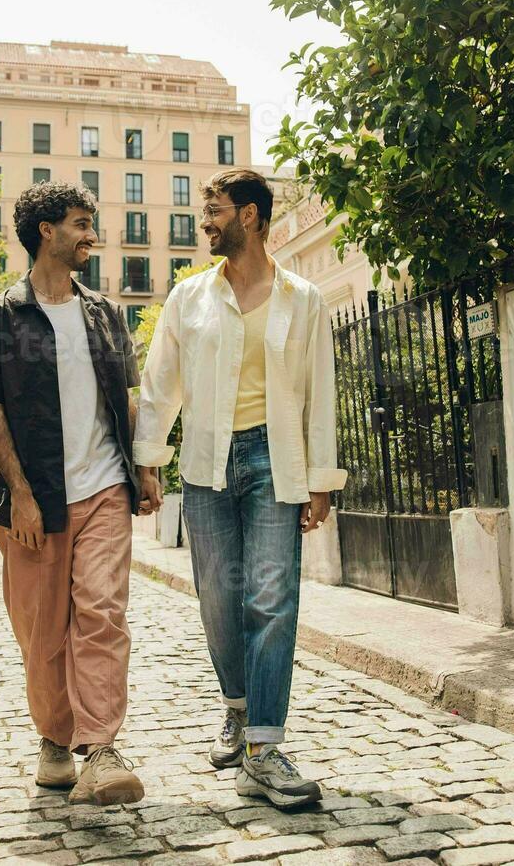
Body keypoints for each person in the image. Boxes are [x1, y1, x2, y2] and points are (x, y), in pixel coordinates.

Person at [134, 168, 346, 810]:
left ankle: (264, 748)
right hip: (204, 465)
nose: (205, 224)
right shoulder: (188, 297)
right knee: (218, 600)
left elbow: (319, 395)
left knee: (273, 599)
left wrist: (320, 479)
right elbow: (160, 382)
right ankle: (236, 707)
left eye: (214, 212)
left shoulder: (302, 298)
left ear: (249, 216)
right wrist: (149, 459)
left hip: (273, 461)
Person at [0, 180, 148, 806]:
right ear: (46, 231)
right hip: (36, 496)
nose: (91, 234)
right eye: (79, 223)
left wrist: (143, 468)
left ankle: (101, 747)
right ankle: (55, 741)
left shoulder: (104, 312)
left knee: (101, 612)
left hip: (103, 490)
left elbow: (124, 395)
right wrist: (21, 495)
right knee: (42, 632)